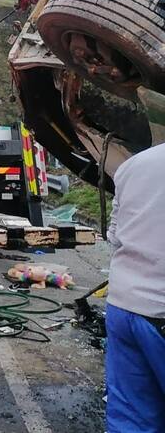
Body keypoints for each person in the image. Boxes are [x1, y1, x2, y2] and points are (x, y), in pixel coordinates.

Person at [104, 142, 165, 432]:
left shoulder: (133, 166)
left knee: (131, 418)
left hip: (123, 306)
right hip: (160, 312)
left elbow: (114, 236)